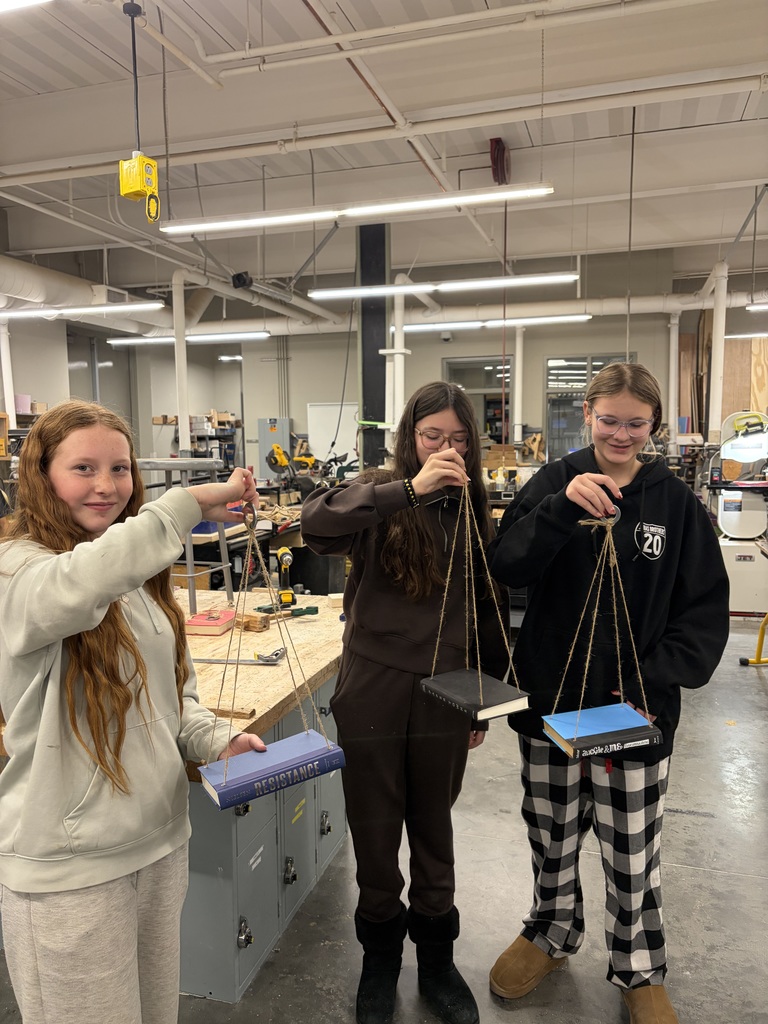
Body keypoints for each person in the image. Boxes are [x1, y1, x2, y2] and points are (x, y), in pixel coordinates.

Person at [0, 399, 266, 1024]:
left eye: (119, 469)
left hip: (159, 845)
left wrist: (211, 739)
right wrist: (185, 505)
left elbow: (173, 699)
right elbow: (80, 584)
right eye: (83, 468)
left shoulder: (139, 580)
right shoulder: (20, 570)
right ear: (41, 475)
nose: (106, 486)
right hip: (72, 869)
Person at [486, 363, 729, 1024]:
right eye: (610, 420)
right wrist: (561, 511)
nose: (622, 435)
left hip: (635, 714)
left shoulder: (672, 503)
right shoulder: (555, 481)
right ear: (588, 414)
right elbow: (505, 563)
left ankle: (638, 965)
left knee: (632, 848)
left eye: (637, 423)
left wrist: (650, 680)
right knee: (551, 834)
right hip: (550, 711)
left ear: (654, 426)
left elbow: (703, 611)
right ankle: (552, 933)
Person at [301, 381, 509, 1024]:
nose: (446, 449)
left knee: (433, 826)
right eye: (431, 437)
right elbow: (314, 524)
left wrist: (482, 696)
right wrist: (410, 488)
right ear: (409, 440)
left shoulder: (473, 505)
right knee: (373, 826)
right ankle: (380, 961)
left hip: (446, 690)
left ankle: (438, 963)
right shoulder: (381, 491)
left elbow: (485, 604)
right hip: (373, 685)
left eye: (457, 438)